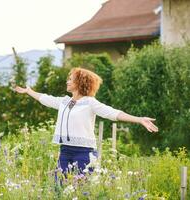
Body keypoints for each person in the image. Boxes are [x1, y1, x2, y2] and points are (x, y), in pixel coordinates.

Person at [14, 67, 158, 174]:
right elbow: (45, 98)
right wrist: (29, 91)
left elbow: (112, 113)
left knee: (82, 190)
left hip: (84, 153)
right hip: (64, 151)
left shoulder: (90, 102)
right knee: (59, 188)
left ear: (79, 82)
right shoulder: (65, 102)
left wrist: (139, 119)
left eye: (70, 79)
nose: (67, 81)